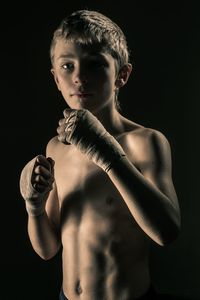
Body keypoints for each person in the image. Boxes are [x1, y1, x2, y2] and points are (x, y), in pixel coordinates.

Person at [19, 9, 181, 300]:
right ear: (55, 78)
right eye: (67, 66)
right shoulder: (56, 148)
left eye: (94, 65)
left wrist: (107, 152)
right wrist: (34, 207)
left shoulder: (145, 142)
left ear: (122, 75)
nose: (79, 77)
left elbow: (167, 232)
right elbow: (48, 250)